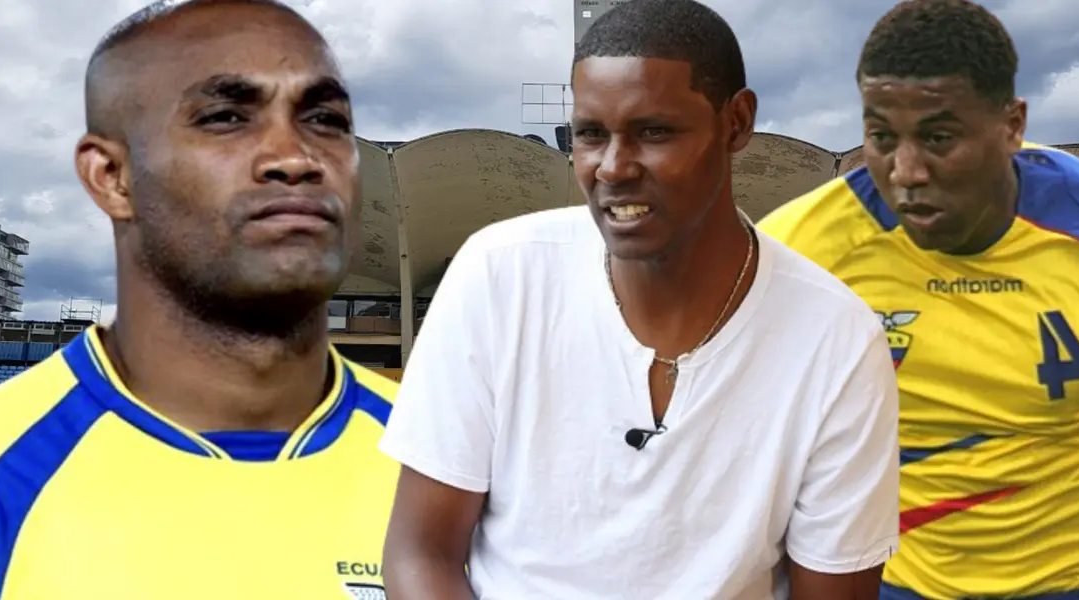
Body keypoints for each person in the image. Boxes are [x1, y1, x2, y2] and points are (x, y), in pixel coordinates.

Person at [379, 0, 900, 598]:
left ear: (737, 122)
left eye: (654, 132)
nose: (613, 168)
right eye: (590, 135)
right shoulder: (498, 277)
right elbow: (421, 553)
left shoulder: (836, 339)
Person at [758, 0, 1079, 598]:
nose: (906, 170)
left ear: (1012, 124)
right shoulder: (796, 253)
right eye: (881, 137)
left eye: (939, 137)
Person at [0, 1, 399, 598]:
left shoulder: (454, 463)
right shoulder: (11, 461)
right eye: (226, 117)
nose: (296, 157)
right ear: (111, 175)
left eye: (325, 120)